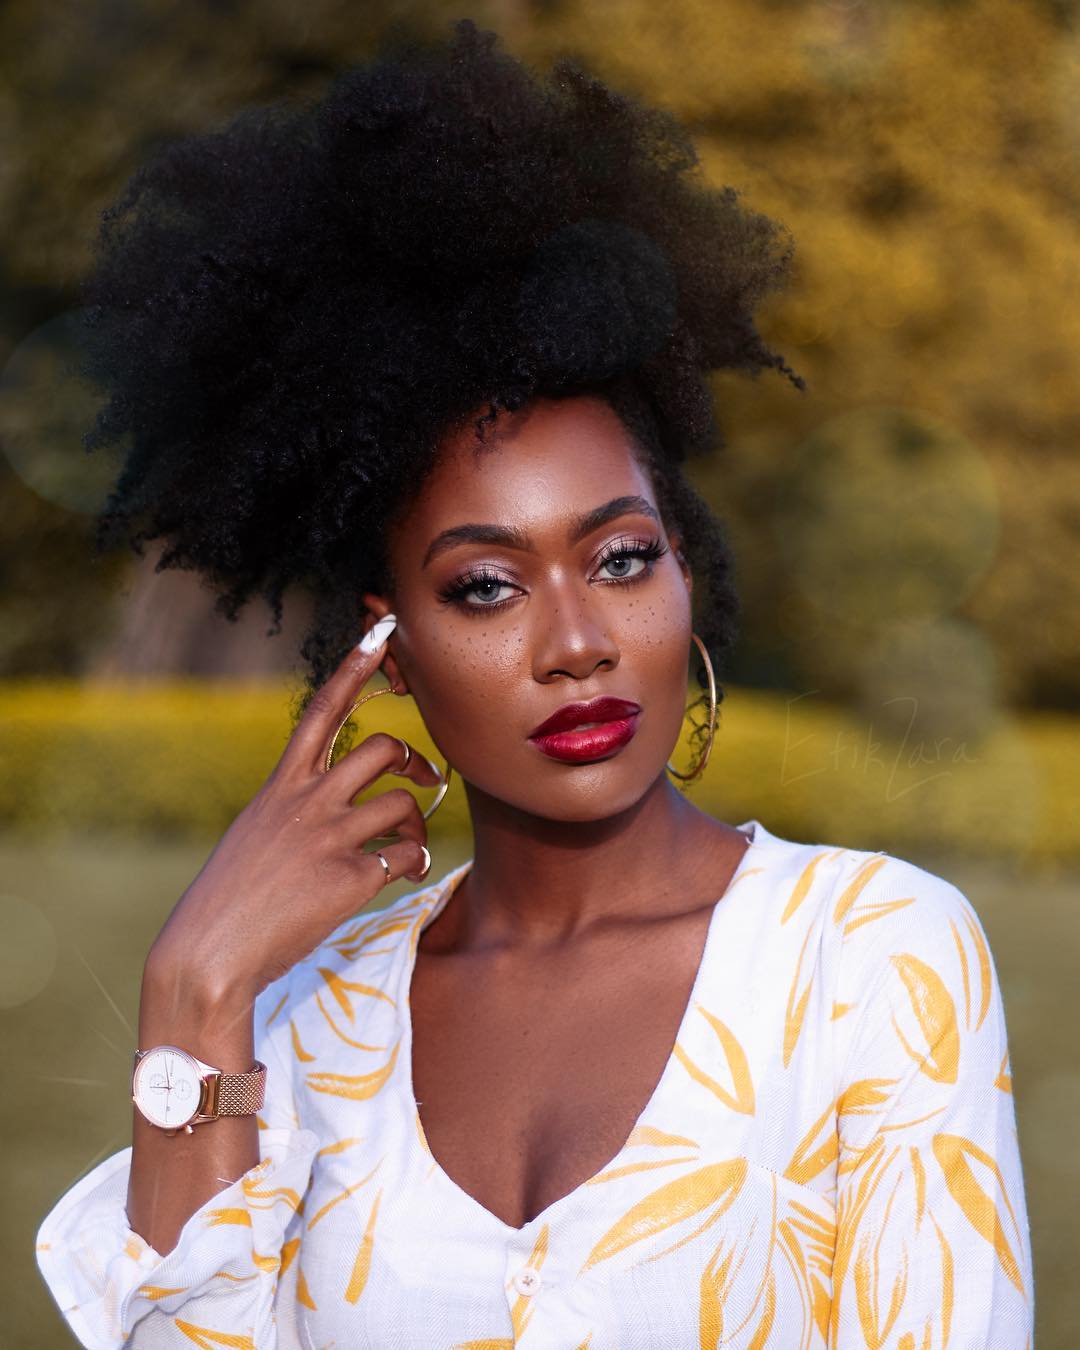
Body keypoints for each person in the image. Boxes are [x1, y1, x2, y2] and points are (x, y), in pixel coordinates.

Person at [36, 18, 1032, 1348]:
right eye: (485, 587)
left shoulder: (869, 957)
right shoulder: (303, 1021)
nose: (575, 640)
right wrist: (194, 999)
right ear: (389, 644)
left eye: (620, 559)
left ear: (687, 573)